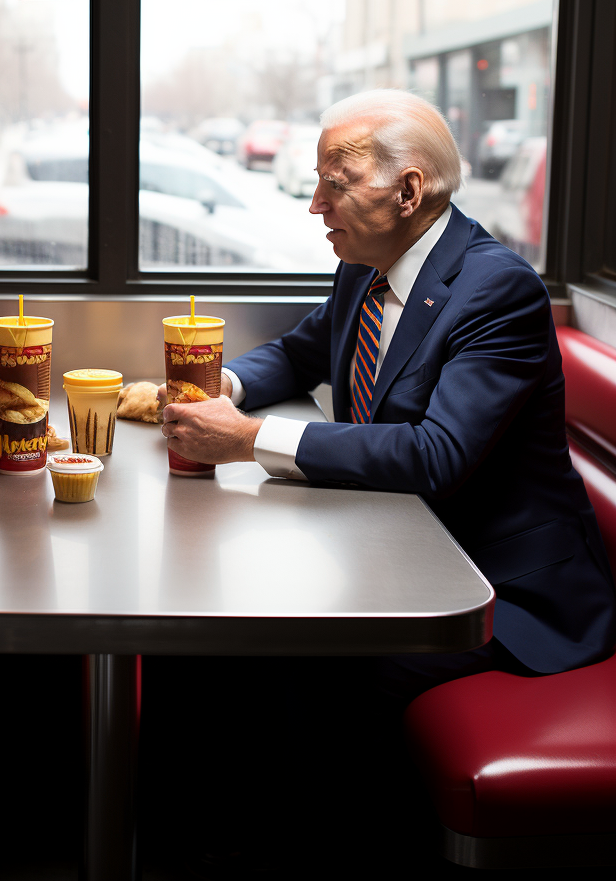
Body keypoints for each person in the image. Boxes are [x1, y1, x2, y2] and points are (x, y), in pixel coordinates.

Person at [160, 89, 615, 693]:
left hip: (500, 589)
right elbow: (299, 353)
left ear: (409, 192)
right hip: (393, 552)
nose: (317, 204)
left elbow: (436, 455)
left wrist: (246, 439)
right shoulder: (364, 264)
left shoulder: (499, 292)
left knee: (264, 661)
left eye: (336, 184)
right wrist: (223, 385)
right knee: (201, 630)